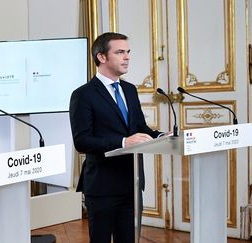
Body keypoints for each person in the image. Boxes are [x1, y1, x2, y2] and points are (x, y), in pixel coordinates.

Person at [69, 32, 162, 243]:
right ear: (101, 57)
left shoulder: (129, 90)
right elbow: (81, 141)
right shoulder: (83, 94)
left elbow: (138, 127)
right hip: (102, 185)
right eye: (120, 52)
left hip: (131, 181)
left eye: (128, 52)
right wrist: (122, 142)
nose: (127, 57)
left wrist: (160, 135)